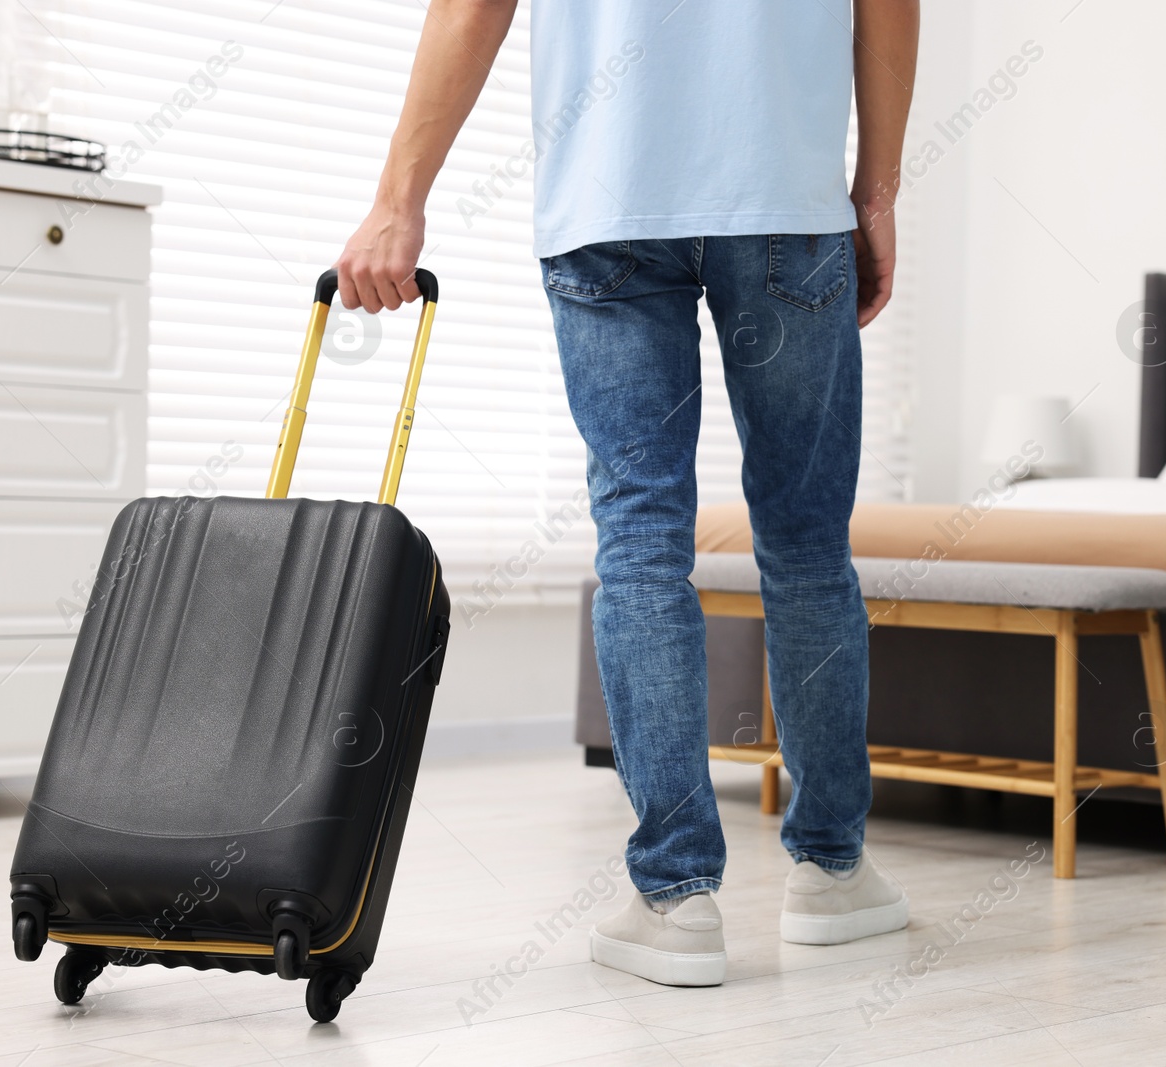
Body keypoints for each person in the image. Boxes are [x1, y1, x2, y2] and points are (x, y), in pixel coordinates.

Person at [336, 0, 920, 987]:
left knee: (642, 546)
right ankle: (831, 871)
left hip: (607, 201)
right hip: (785, 197)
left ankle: (676, 898)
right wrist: (878, 189)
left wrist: (400, 199)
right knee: (809, 546)